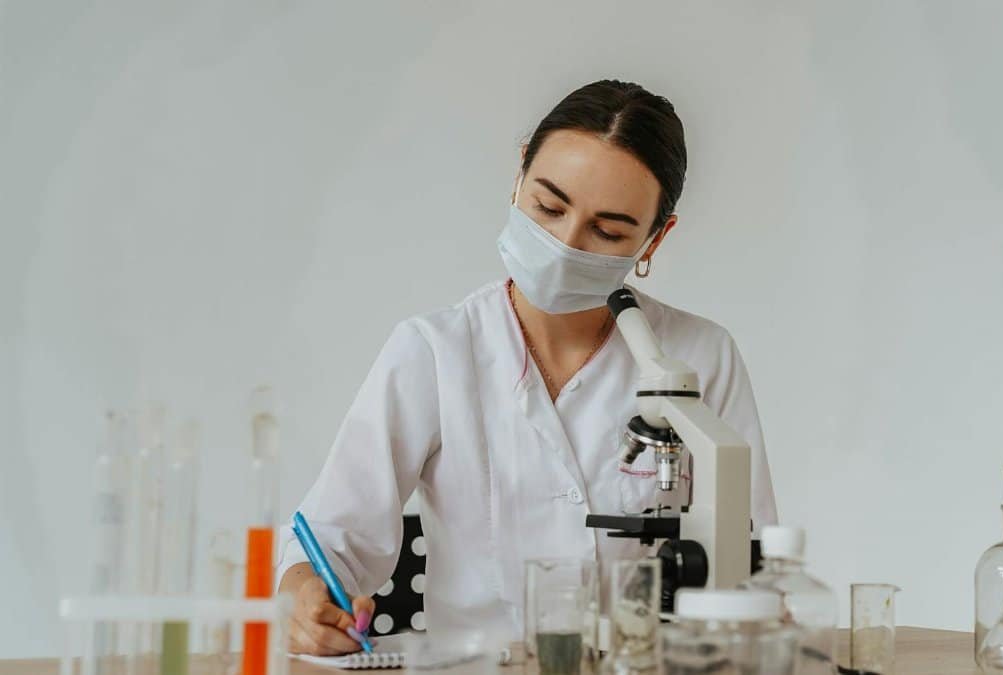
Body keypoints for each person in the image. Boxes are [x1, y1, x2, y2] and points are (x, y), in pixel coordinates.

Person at [278, 79, 778, 655]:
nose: (565, 244)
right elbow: (333, 539)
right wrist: (304, 595)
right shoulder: (435, 351)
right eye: (549, 205)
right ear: (519, 176)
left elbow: (756, 559)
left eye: (608, 231)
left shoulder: (698, 357)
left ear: (654, 240)